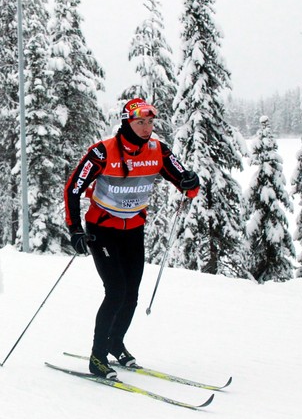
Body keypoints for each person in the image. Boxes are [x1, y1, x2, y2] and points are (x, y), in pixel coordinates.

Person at [63, 97, 200, 379]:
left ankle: (115, 343)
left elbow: (183, 179)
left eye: (150, 122)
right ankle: (98, 358)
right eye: (140, 122)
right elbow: (73, 188)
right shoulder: (102, 153)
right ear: (127, 122)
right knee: (115, 291)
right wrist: (75, 228)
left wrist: (190, 183)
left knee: (131, 295)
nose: (147, 127)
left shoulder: (158, 150)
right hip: (102, 231)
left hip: (133, 230)